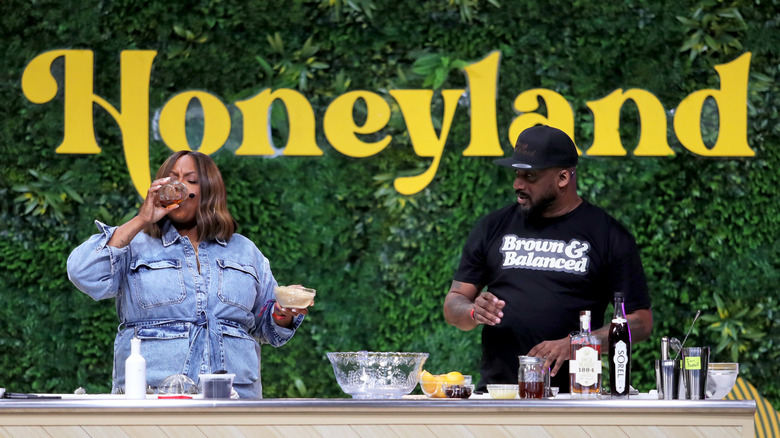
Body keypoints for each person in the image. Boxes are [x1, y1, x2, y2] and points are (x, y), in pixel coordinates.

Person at [67, 151, 310, 399]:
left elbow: (267, 327)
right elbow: (82, 272)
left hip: (234, 398)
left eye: (190, 180)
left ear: (210, 191)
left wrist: (282, 313)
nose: (178, 187)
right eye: (172, 179)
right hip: (153, 398)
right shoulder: (134, 245)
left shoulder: (245, 251)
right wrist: (142, 219)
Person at [443, 125, 653, 393]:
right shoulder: (492, 227)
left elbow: (641, 322)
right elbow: (454, 304)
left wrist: (579, 344)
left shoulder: (609, 235)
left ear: (563, 177)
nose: (517, 184)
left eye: (530, 176)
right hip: (500, 394)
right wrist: (474, 311)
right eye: (517, 174)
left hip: (575, 397)